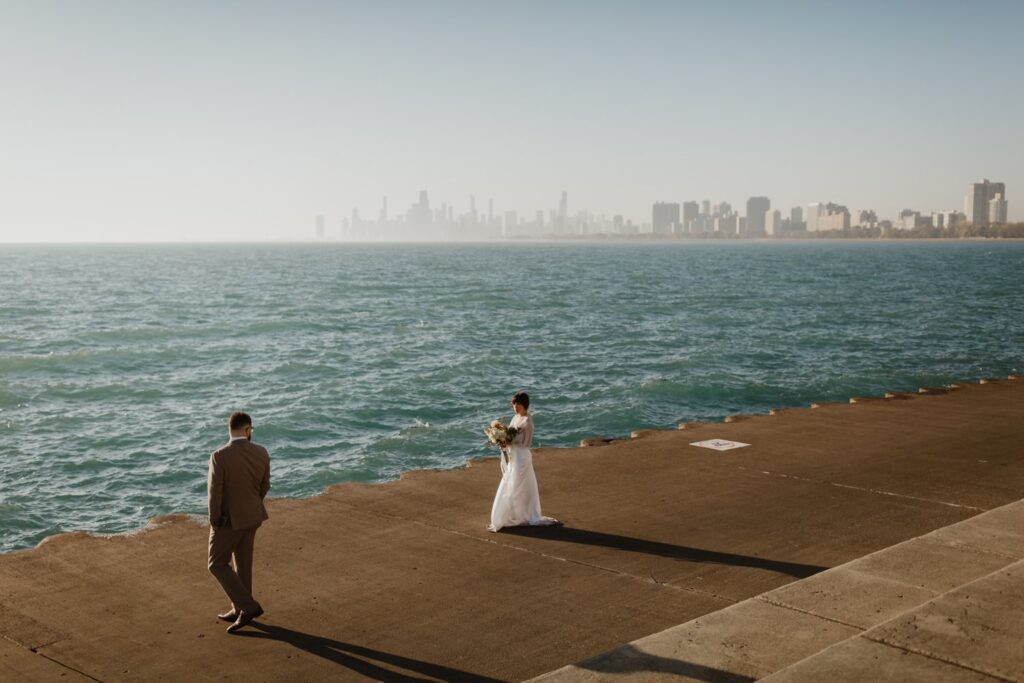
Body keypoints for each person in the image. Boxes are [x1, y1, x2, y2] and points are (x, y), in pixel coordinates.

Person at [207, 411, 271, 634]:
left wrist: (215, 521)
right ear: (247, 429)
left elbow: (215, 493)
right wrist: (254, 504)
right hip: (253, 516)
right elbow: (265, 485)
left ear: (230, 429)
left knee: (216, 564)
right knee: (243, 564)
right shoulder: (261, 452)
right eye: (251, 430)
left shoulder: (220, 456)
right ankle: (240, 609)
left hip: (229, 521)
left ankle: (249, 607)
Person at [488, 392, 559, 532]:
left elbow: (526, 444)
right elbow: (509, 434)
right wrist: (503, 441)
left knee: (517, 486)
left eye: (517, 404)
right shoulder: (515, 417)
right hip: (514, 457)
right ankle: (514, 514)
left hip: (522, 458)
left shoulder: (528, 422)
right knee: (512, 484)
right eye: (513, 404)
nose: (515, 407)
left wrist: (509, 442)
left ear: (524, 405)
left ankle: (516, 515)